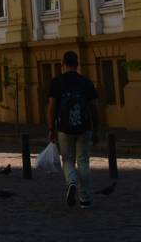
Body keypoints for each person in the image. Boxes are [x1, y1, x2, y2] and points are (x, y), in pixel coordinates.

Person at [47, 51, 100, 209]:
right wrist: (96, 129)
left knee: (68, 159)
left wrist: (51, 128)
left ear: (63, 64)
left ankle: (71, 182)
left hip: (64, 128)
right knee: (83, 161)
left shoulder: (57, 82)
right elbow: (94, 107)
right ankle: (85, 199)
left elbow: (52, 107)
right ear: (77, 65)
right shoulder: (86, 82)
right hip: (84, 127)